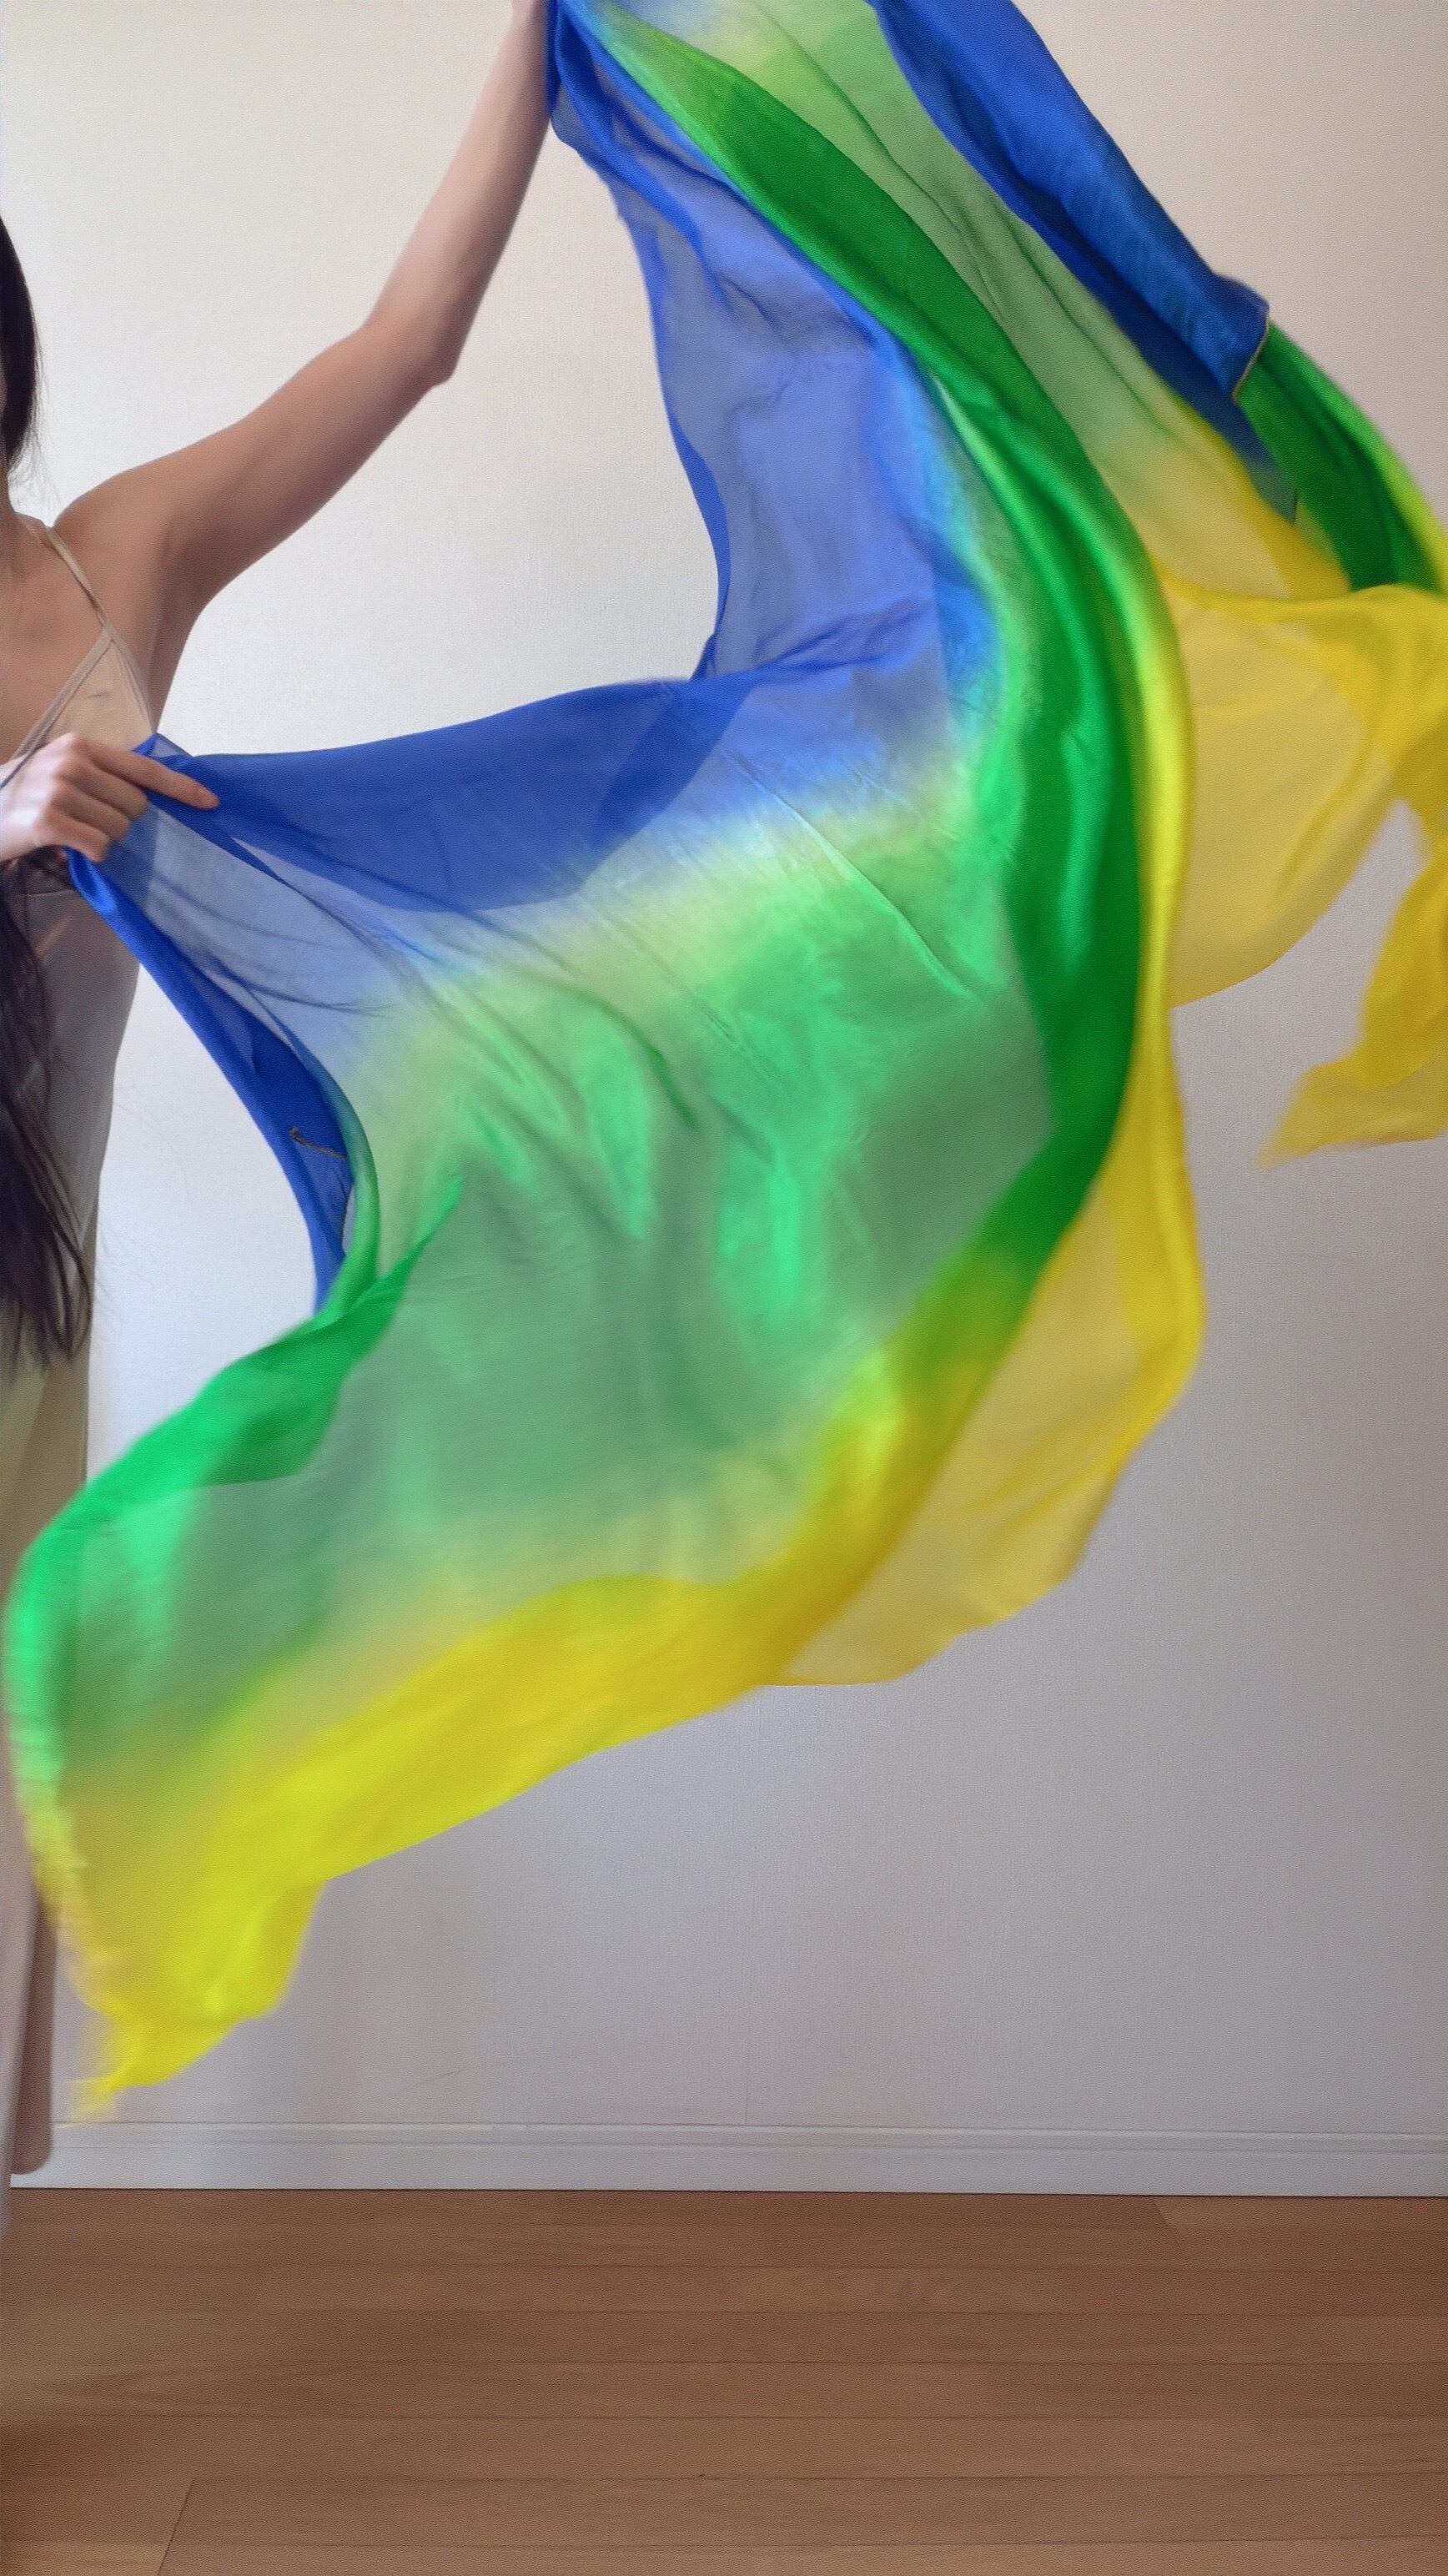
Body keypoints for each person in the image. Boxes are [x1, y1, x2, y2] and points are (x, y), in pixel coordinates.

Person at [0, 0, 551, 2212]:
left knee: (14, 1780)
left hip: (26, 1296)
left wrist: (548, 29)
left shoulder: (114, 561)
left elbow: (406, 339)